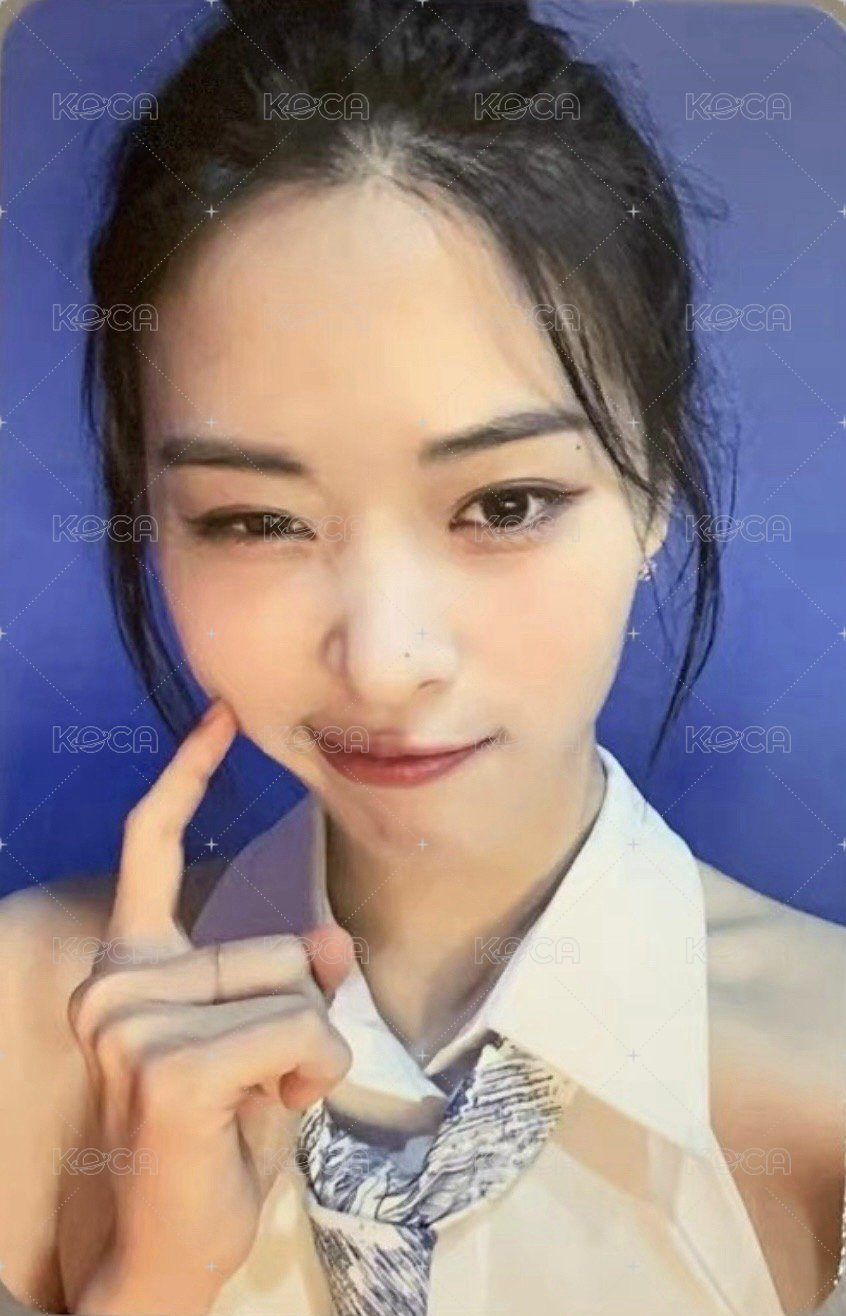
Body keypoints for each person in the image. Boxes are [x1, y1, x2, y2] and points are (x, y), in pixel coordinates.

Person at [0, 0, 844, 1313]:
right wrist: (148, 1283)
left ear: (657, 491)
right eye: (254, 520)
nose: (385, 663)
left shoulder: (825, 1086)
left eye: (504, 503)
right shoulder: (29, 1020)